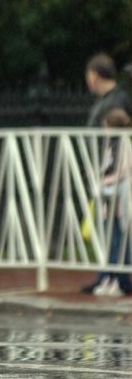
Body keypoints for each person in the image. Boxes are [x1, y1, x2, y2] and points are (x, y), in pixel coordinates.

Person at [81, 53, 132, 294]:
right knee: (109, 230)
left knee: (117, 231)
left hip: (115, 179)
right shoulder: (110, 99)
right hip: (107, 176)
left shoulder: (116, 101)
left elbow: (119, 146)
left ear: (94, 75)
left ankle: (117, 278)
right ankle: (108, 276)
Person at [90, 109, 132, 296]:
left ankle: (121, 280)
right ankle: (110, 277)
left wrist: (104, 181)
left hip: (119, 199)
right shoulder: (111, 146)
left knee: (119, 240)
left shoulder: (123, 145)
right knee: (109, 240)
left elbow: (124, 170)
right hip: (109, 199)